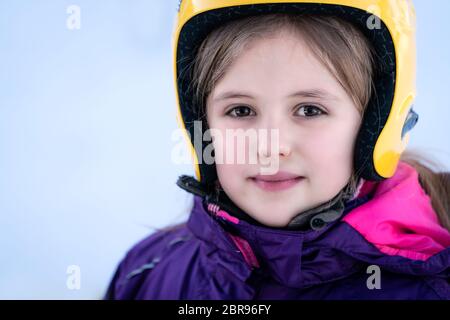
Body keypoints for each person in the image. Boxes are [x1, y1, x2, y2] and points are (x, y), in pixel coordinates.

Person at [104, 0, 450, 299]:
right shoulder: (149, 274)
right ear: (201, 125)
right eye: (240, 111)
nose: (271, 147)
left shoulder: (430, 288)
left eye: (309, 110)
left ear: (376, 126)